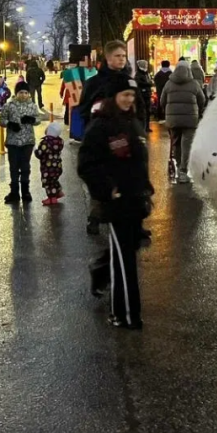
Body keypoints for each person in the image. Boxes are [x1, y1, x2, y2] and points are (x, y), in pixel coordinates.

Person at [77, 73, 152, 330]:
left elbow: (139, 161)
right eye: (125, 95)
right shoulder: (101, 126)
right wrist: (108, 190)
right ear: (113, 97)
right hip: (118, 204)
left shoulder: (132, 122)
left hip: (136, 201)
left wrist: (146, 188)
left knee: (126, 257)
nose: (129, 100)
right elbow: (86, 165)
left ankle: (110, 291)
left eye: (132, 95)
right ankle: (127, 315)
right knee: (125, 263)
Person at [78, 41, 130, 234]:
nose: (121, 59)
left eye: (123, 56)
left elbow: (138, 109)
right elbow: (84, 110)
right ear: (108, 58)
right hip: (102, 141)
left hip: (125, 139)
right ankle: (95, 216)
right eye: (118, 56)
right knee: (102, 180)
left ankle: (125, 219)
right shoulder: (94, 83)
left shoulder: (128, 81)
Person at [0, 80, 48, 205]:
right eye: (21, 92)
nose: (24, 95)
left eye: (26, 92)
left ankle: (25, 191)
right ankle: (14, 192)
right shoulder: (9, 106)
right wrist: (9, 124)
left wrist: (32, 119)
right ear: (16, 93)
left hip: (27, 141)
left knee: (25, 166)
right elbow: (1, 120)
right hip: (13, 142)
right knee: (14, 167)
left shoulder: (32, 105)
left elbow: (38, 120)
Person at [160, 60, 207, 184]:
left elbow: (162, 101)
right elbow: (202, 100)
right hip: (190, 120)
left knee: (175, 143)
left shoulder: (169, 84)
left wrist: (168, 111)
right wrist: (199, 111)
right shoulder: (194, 84)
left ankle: (177, 164)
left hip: (173, 120)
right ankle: (183, 171)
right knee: (187, 144)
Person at [35, 122, 65, 206]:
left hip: (47, 168)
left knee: (48, 182)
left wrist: (36, 151)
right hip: (57, 166)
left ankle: (52, 198)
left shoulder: (45, 143)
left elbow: (40, 154)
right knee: (54, 180)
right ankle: (58, 192)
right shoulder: (60, 141)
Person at [134, 60, 153, 132]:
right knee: (142, 112)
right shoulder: (138, 74)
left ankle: (147, 127)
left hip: (147, 94)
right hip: (142, 95)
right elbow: (139, 83)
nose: (146, 66)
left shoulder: (146, 74)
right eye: (145, 65)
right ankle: (142, 127)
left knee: (148, 111)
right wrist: (148, 84)